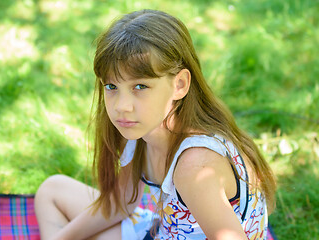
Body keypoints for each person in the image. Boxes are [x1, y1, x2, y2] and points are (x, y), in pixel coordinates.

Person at [34, 9, 276, 240]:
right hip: (161, 230)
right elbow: (121, 203)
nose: (121, 106)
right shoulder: (141, 128)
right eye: (112, 87)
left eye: (140, 86)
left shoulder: (196, 166)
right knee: (52, 191)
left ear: (179, 85)